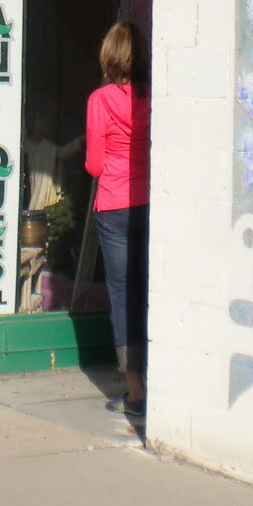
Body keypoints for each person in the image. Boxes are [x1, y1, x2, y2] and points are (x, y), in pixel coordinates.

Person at [84, 21, 150, 422]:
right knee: (149, 291)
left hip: (113, 206)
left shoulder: (100, 100)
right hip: (150, 202)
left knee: (123, 295)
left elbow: (93, 164)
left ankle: (135, 388)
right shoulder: (152, 98)